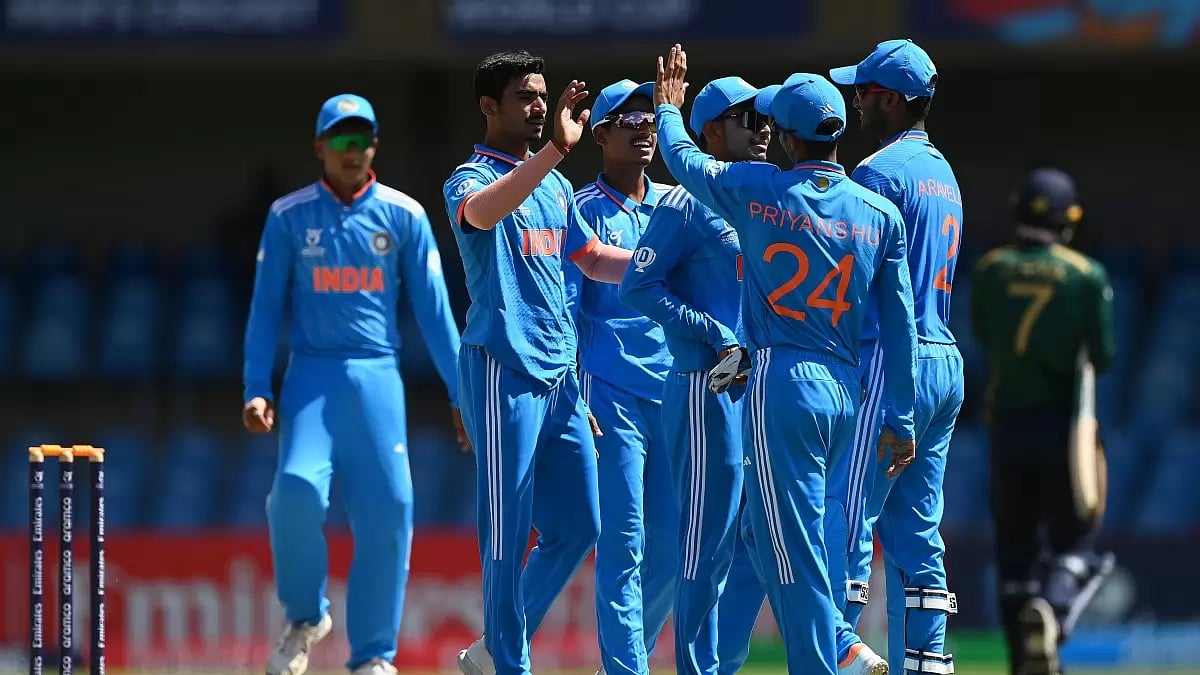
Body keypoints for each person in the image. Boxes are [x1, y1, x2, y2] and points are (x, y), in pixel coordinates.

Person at [653, 45, 918, 675]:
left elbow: (684, 161)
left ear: (792, 140)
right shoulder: (878, 213)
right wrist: (902, 416)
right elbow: (901, 325)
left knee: (792, 554)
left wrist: (667, 110)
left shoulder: (757, 191)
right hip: (847, 389)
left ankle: (828, 658)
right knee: (772, 535)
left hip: (782, 386)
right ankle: (742, 658)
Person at [242, 93, 468, 675]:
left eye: (362, 138)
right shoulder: (289, 216)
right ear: (320, 146)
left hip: (376, 379)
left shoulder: (404, 215)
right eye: (341, 139)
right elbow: (265, 309)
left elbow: (436, 314)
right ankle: (304, 618)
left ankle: (373, 656)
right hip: (311, 377)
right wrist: (256, 387)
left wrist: (462, 394)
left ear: (375, 146)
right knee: (294, 490)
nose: (353, 150)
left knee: (391, 508)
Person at [442, 50, 635, 675]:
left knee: (580, 525)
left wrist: (660, 265)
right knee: (506, 532)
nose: (538, 108)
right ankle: (510, 664)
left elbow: (592, 258)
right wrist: (554, 150)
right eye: (525, 97)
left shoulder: (554, 186)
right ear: (488, 106)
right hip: (503, 372)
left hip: (560, 379)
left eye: (542, 97)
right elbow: (483, 213)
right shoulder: (468, 178)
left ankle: (493, 648)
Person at [618, 76, 774, 675]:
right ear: (710, 131)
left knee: (755, 541)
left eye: (766, 120)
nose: (763, 131)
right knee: (706, 543)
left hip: (756, 390)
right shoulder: (686, 203)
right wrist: (713, 333)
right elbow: (637, 284)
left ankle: (721, 664)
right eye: (748, 119)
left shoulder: (760, 197)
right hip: (707, 385)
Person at [828, 38, 965, 675]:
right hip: (943, 358)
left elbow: (854, 284)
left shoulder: (877, 173)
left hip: (890, 357)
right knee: (917, 531)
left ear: (889, 99)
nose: (855, 101)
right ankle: (928, 663)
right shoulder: (944, 174)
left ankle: (837, 652)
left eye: (862, 91)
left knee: (849, 510)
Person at [970, 167, 1116, 675]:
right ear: (1069, 220)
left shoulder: (991, 269)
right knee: (1078, 548)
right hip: (1063, 429)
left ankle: (1024, 660)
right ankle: (1052, 611)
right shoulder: (1086, 275)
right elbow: (1104, 355)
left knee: (1015, 556)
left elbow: (984, 335)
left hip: (1005, 427)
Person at [564, 78, 677, 675]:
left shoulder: (677, 206)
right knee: (624, 543)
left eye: (650, 119)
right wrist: (574, 388)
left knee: (674, 552)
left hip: (676, 393)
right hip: (609, 395)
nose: (644, 130)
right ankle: (627, 667)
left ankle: (623, 657)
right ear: (600, 135)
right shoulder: (580, 209)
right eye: (629, 122)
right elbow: (564, 309)